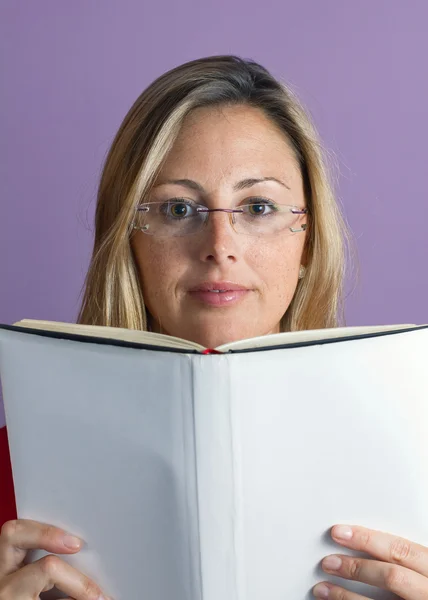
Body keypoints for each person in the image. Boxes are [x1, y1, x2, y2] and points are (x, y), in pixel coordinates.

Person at [0, 55, 425, 600]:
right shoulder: (14, 472)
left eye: (258, 206)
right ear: (128, 239)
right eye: (179, 209)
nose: (219, 247)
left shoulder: (415, 458)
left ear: (307, 243)